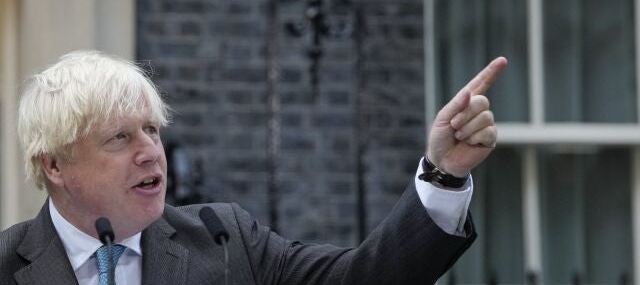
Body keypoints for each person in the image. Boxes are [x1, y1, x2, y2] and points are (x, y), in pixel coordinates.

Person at [0, 51, 507, 284]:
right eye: (120, 138)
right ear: (54, 165)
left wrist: (443, 174)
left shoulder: (225, 241)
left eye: (152, 130)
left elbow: (362, 278)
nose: (150, 152)